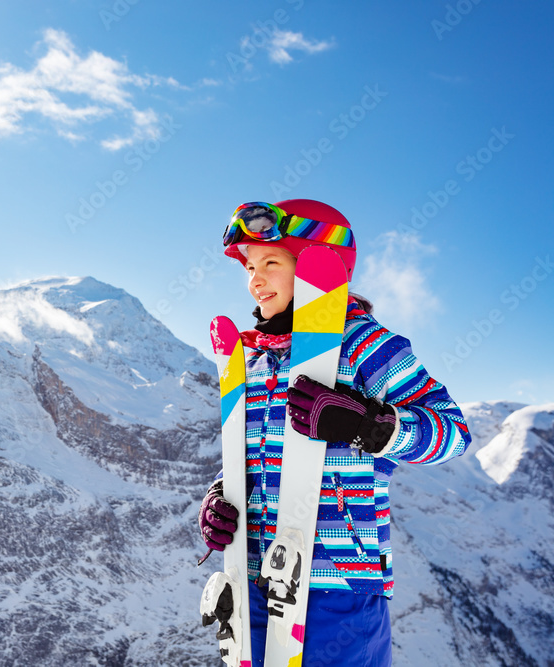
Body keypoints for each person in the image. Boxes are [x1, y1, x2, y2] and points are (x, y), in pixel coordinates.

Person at [197, 199, 471, 666]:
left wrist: (370, 426)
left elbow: (452, 432)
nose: (254, 280)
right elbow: (251, 457)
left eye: (270, 262)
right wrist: (224, 497)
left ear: (315, 266)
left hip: (338, 590)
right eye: (248, 267)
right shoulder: (256, 362)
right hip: (256, 586)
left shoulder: (368, 346)